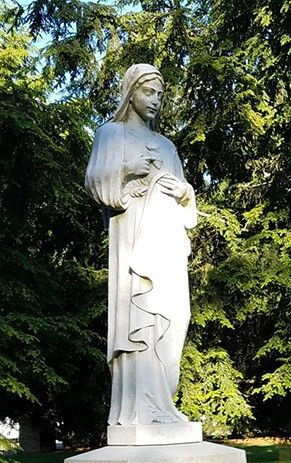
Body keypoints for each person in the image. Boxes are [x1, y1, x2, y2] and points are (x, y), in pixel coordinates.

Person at [85, 64, 197, 426]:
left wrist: (184, 192)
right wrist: (128, 170)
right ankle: (142, 410)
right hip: (133, 245)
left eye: (160, 95)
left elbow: (184, 195)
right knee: (141, 319)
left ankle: (164, 404)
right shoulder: (110, 134)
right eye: (149, 92)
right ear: (131, 92)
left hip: (167, 245)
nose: (155, 101)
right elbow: (96, 183)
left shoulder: (168, 146)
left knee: (176, 316)